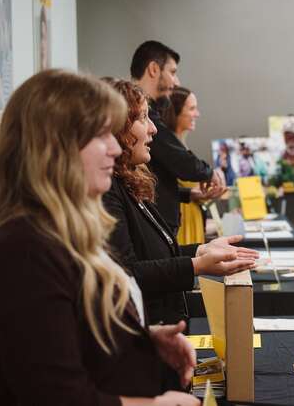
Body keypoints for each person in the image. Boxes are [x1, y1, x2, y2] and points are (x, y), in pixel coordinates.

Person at [0, 69, 200, 405]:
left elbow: (66, 334)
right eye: (101, 135)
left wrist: (142, 342)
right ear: (56, 147)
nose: (115, 149)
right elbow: (56, 395)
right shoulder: (23, 251)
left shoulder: (62, 229)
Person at [102, 79, 256, 328]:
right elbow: (128, 274)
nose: (153, 129)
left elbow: (153, 254)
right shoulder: (108, 191)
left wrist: (200, 250)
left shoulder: (128, 183)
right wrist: (196, 264)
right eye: (143, 118)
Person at [130, 40, 224, 236]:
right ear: (154, 69)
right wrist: (208, 173)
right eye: (172, 72)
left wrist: (189, 193)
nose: (176, 82)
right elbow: (178, 159)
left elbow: (154, 179)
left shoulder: (154, 112)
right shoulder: (137, 110)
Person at [161, 86, 227, 245]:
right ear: (174, 112)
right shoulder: (171, 152)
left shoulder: (182, 147)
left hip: (193, 219)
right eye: (192, 108)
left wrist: (205, 194)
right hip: (182, 222)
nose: (197, 114)